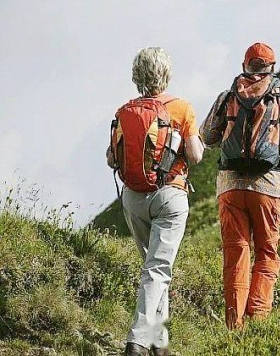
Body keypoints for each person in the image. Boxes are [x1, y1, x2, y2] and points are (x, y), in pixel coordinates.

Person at [106, 47, 204, 356]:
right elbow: (196, 156)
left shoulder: (125, 111)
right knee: (158, 270)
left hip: (133, 198)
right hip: (169, 197)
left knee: (154, 268)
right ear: (166, 74)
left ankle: (159, 344)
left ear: (137, 75)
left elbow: (111, 158)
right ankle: (137, 341)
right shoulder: (182, 109)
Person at [200, 42, 280, 329]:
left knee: (236, 252)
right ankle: (258, 320)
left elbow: (207, 136)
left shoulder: (227, 96)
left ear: (245, 65)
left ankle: (235, 325)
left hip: (230, 186)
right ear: (271, 67)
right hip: (268, 186)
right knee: (266, 253)